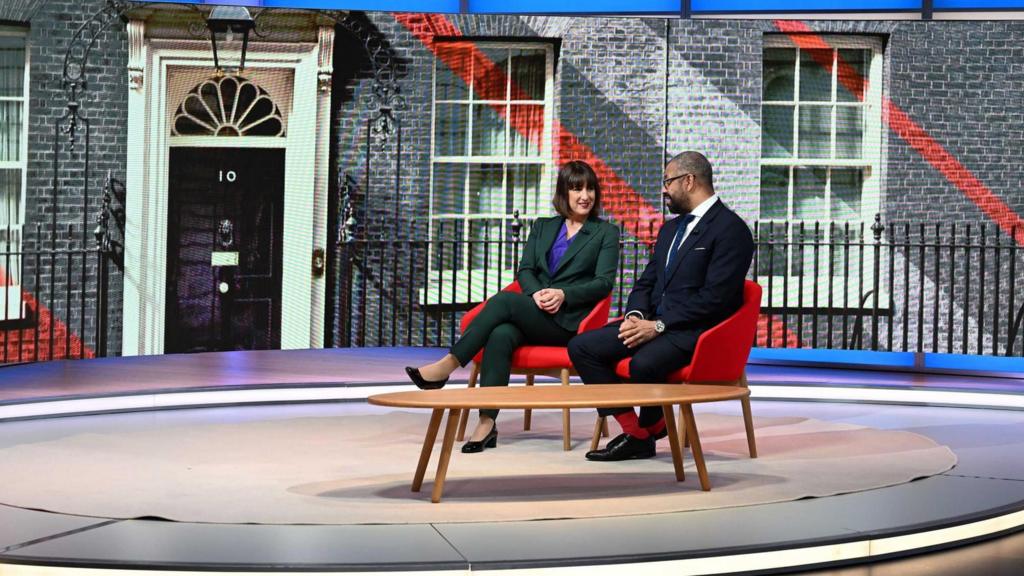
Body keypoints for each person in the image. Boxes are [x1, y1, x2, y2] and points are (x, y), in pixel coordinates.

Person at [406, 160, 620, 454]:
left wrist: (562, 294)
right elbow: (526, 271)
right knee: (501, 334)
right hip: (536, 311)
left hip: (568, 324)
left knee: (506, 301)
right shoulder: (544, 227)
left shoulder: (605, 233)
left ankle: (450, 364)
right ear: (563, 193)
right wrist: (535, 295)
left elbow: (603, 283)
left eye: (590, 188)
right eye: (576, 188)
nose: (585, 195)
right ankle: (486, 423)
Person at [568, 151, 753, 462]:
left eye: (668, 182)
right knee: (582, 347)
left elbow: (716, 299)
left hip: (694, 331)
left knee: (644, 364)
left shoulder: (731, 230)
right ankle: (638, 433)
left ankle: (650, 425)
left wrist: (659, 326)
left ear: (689, 181)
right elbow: (646, 283)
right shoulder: (670, 230)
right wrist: (637, 317)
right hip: (651, 323)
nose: (663, 190)